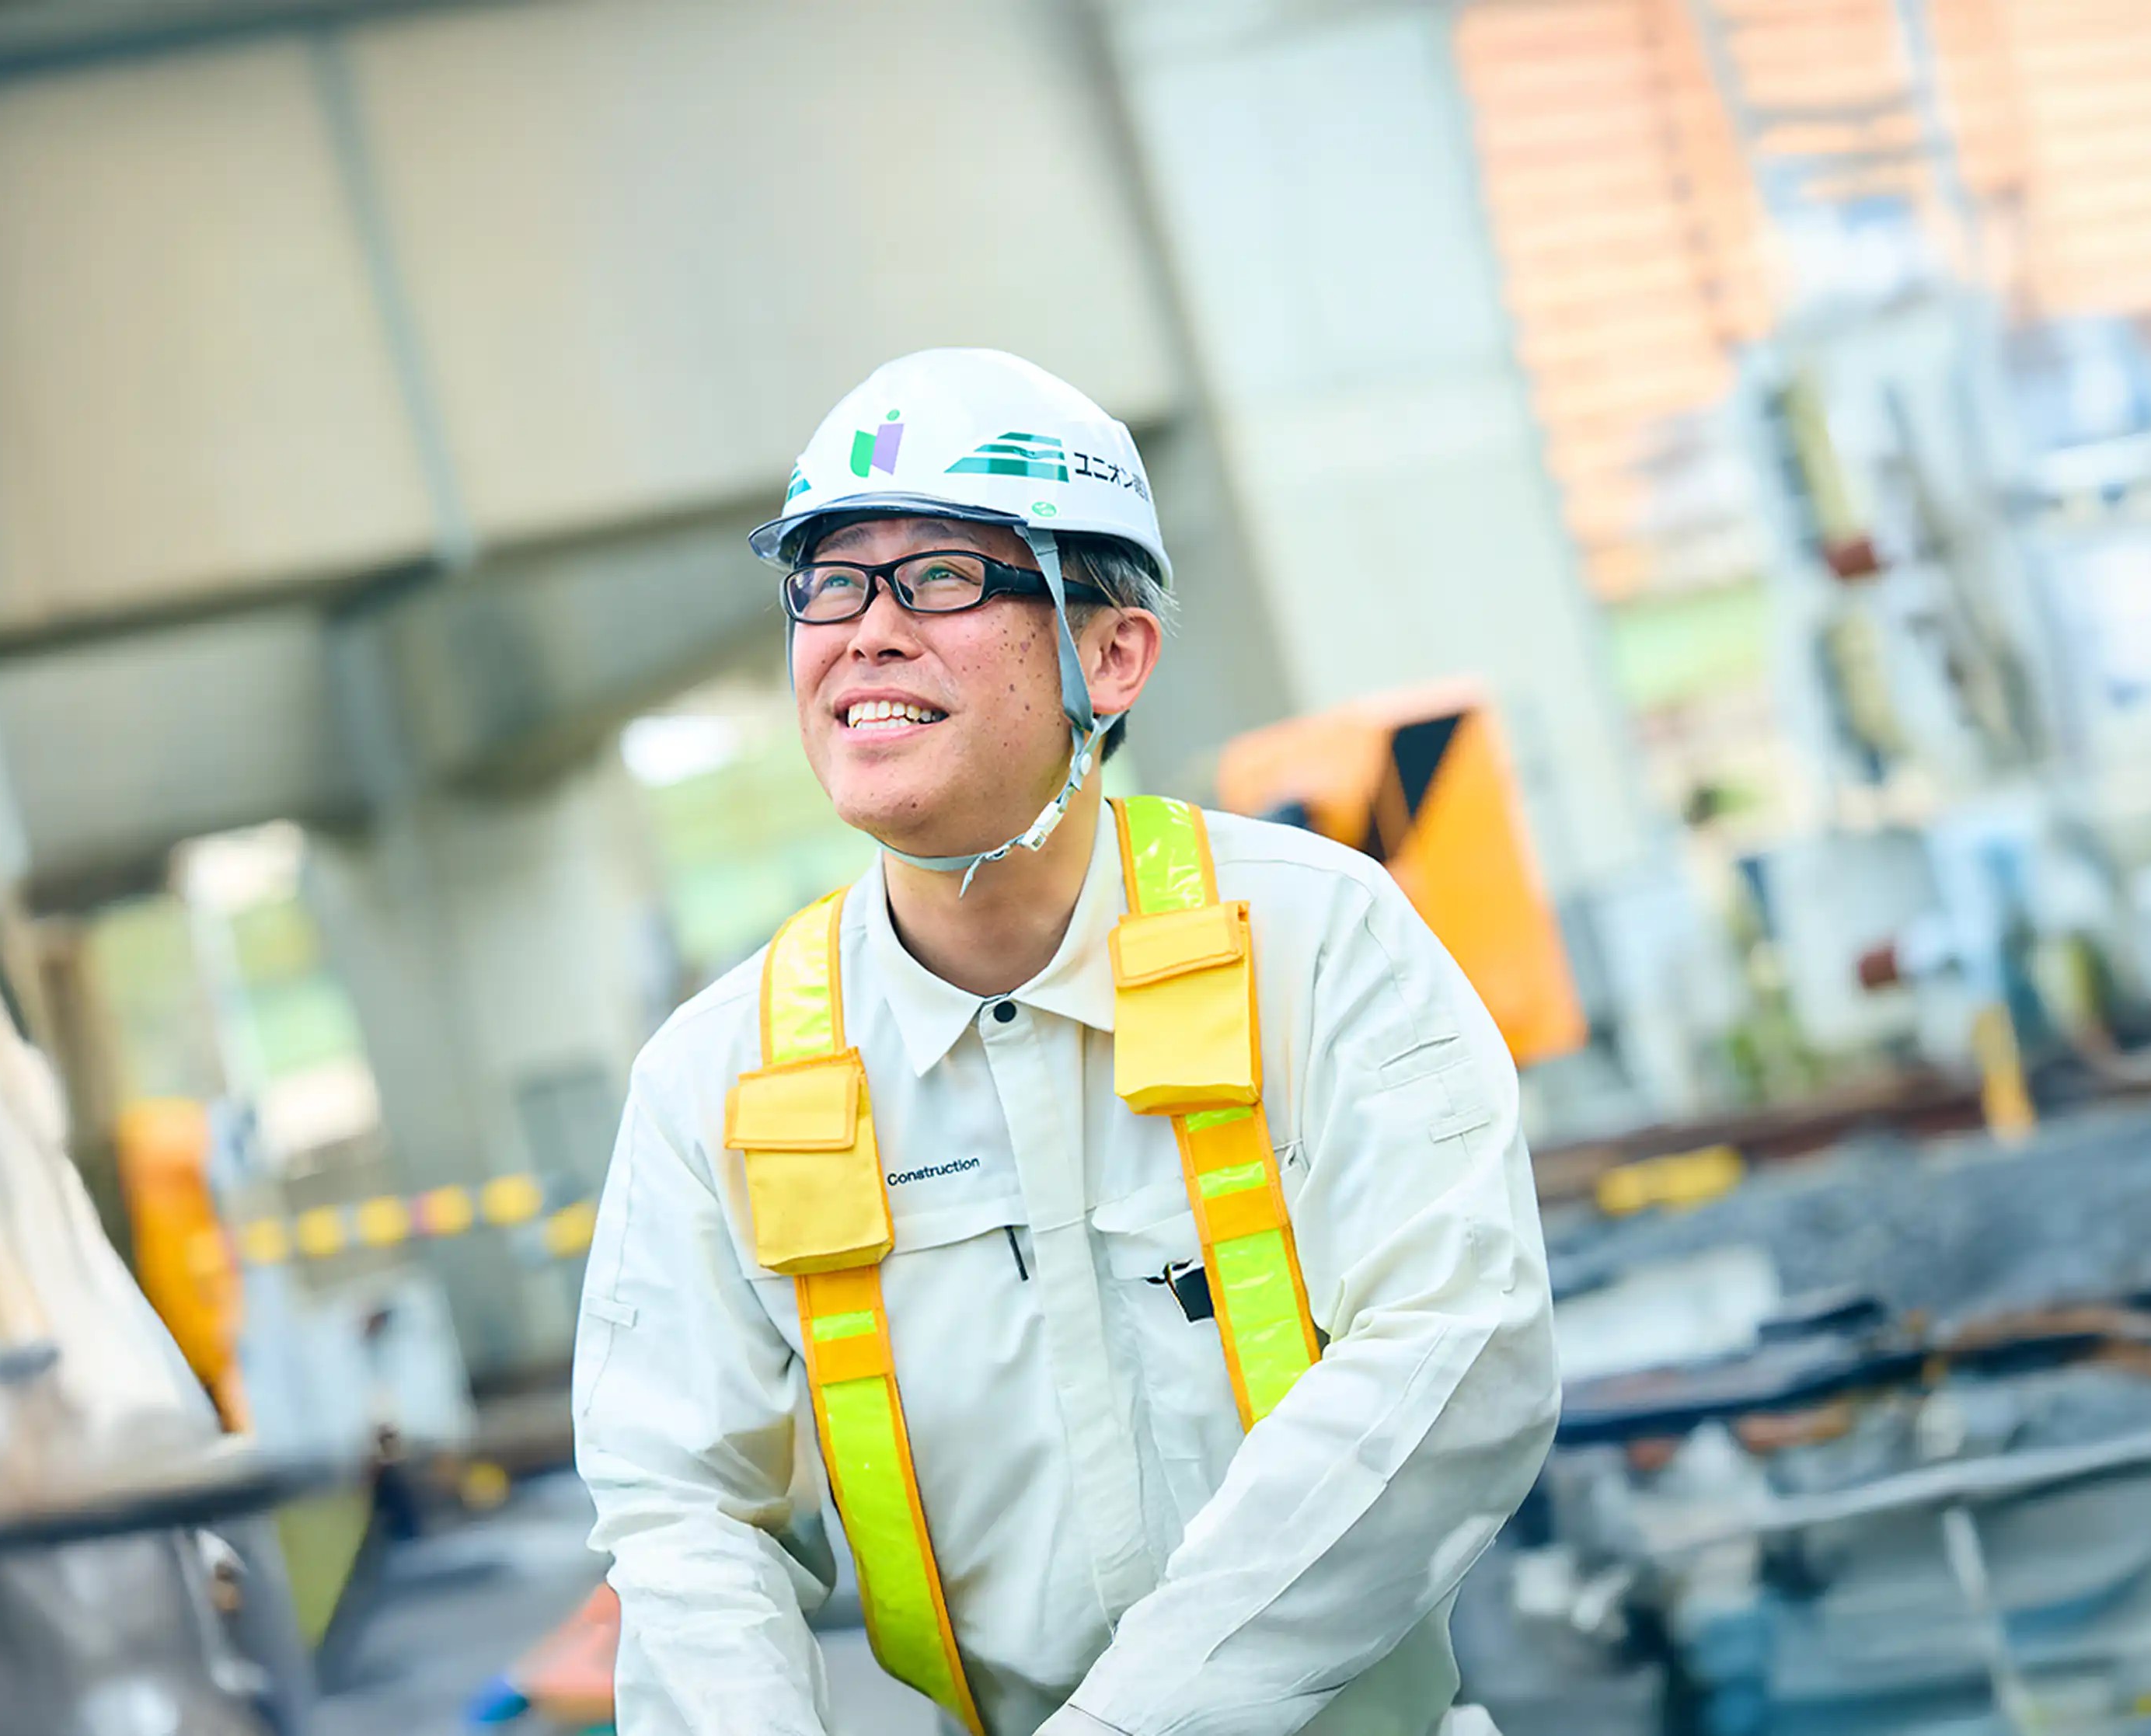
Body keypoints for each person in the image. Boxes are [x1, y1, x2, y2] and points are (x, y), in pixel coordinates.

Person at [573, 348, 1558, 1736]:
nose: (866, 630)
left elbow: (1460, 1348)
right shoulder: (716, 1080)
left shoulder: (1318, 940)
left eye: (942, 578)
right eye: (830, 580)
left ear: (1113, 652)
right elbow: (683, 1508)